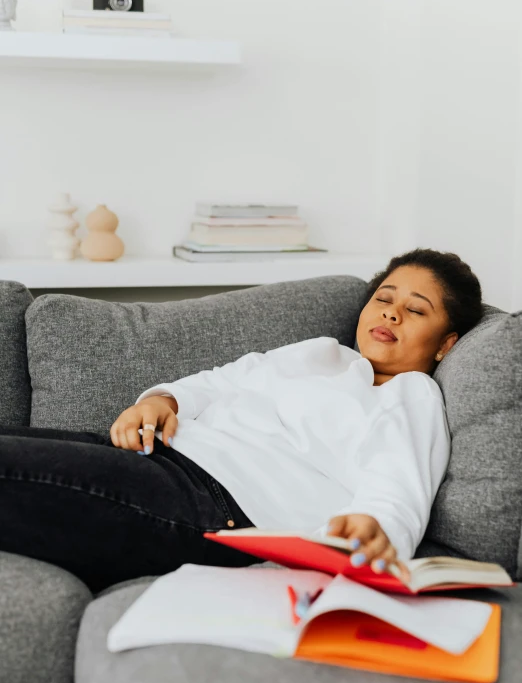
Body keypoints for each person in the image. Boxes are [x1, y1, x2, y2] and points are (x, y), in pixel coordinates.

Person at [0, 248, 483, 594]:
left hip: (218, 510)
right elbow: (220, 381)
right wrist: (163, 400)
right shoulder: (323, 353)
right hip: (160, 457)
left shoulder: (410, 394)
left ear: (446, 344)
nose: (392, 314)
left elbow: (399, 486)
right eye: (385, 298)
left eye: (416, 310)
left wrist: (375, 532)